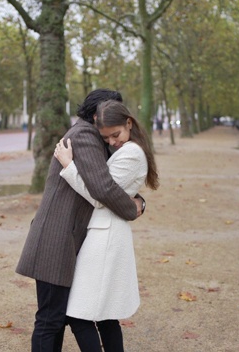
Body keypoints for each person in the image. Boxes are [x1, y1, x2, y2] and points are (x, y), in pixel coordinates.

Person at [16, 89, 146, 352]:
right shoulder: (85, 136)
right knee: (50, 319)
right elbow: (104, 190)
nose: (111, 137)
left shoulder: (94, 136)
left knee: (56, 318)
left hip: (64, 238)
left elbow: (111, 183)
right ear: (98, 114)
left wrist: (139, 199)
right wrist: (133, 209)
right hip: (57, 238)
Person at [54, 100, 159, 352]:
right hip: (104, 232)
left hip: (106, 236)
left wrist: (69, 166)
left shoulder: (132, 153)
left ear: (129, 123)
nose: (113, 141)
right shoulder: (125, 150)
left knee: (78, 314)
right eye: (106, 137)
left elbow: (100, 197)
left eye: (116, 134)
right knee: (105, 315)